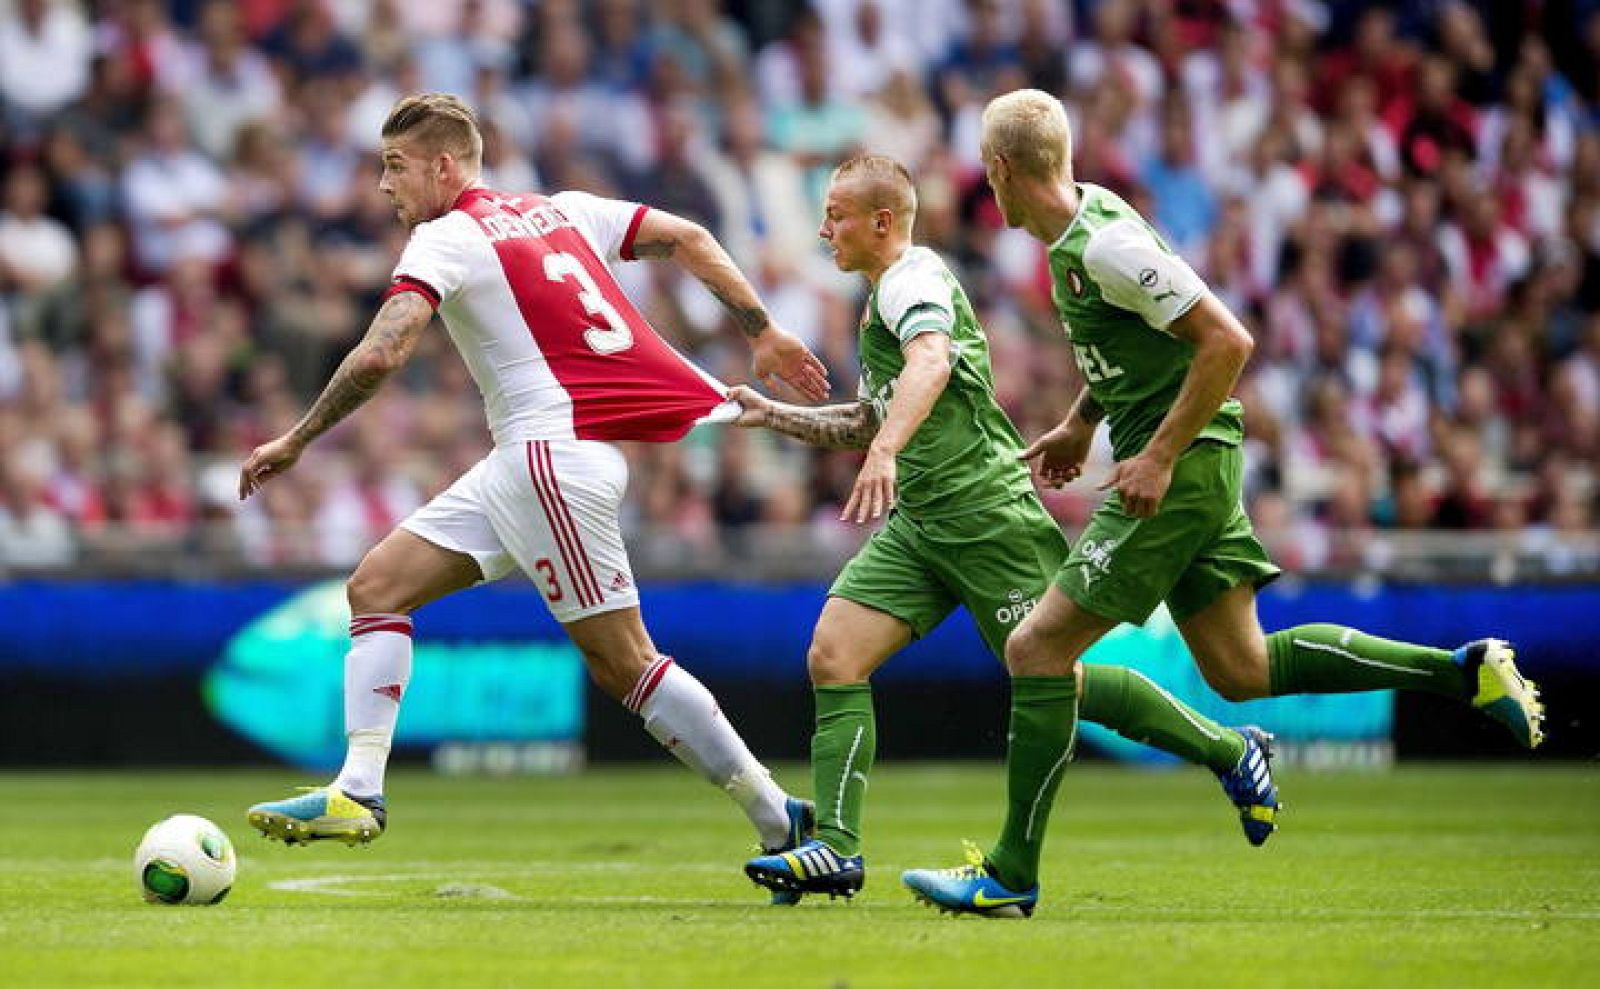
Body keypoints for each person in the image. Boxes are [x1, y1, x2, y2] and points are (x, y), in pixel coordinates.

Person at [900, 89, 1545, 917]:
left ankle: (1011, 871)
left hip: (1182, 467)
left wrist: (1160, 453)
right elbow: (1139, 354)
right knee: (1241, 668)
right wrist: (1077, 423)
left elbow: (1227, 340)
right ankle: (1464, 671)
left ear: (998, 172)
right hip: (1188, 462)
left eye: (984, 179)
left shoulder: (1105, 244)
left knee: (1034, 650)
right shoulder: (1081, 232)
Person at [239, 94, 830, 873]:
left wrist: (298, 436)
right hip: (529, 461)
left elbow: (382, 354)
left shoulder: (443, 237)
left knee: (625, 662)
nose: (384, 186)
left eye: (395, 166)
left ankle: (776, 817)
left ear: (445, 167)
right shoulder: (564, 211)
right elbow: (687, 234)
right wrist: (763, 330)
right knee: (377, 586)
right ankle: (358, 787)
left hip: (547, 457)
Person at [734, 154, 1279, 911]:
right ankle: (837, 848)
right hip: (924, 523)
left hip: (989, 516)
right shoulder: (878, 299)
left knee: (1057, 677)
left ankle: (1229, 746)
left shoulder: (913, 281)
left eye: (837, 214)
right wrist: (775, 417)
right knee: (834, 653)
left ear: (883, 222)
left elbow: (931, 359)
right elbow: (868, 418)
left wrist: (888, 449)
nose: (824, 227)